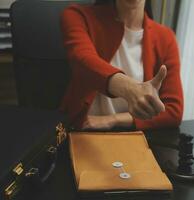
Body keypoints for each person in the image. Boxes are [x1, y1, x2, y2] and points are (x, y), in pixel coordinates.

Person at [60, 0, 183, 130]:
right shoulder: (77, 16)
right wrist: (130, 89)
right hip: (82, 131)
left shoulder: (165, 37)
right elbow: (83, 60)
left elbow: (173, 111)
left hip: (133, 137)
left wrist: (113, 120)